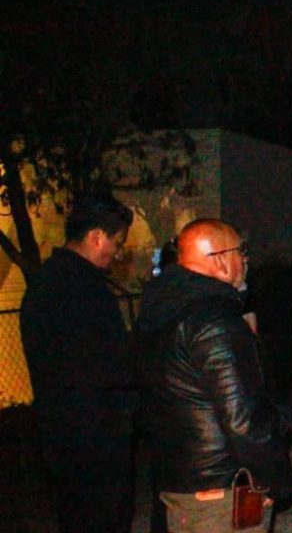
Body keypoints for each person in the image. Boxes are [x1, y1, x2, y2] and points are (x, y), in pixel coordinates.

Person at [138, 219, 292, 532]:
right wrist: (276, 478)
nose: (246, 260)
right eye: (241, 251)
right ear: (221, 260)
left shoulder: (163, 310)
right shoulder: (214, 321)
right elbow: (243, 419)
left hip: (182, 483)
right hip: (221, 493)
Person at [19, 193, 136, 533]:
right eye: (117, 243)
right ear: (96, 236)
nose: (118, 253)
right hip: (95, 439)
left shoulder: (45, 282)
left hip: (63, 437)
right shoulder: (81, 289)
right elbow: (103, 363)